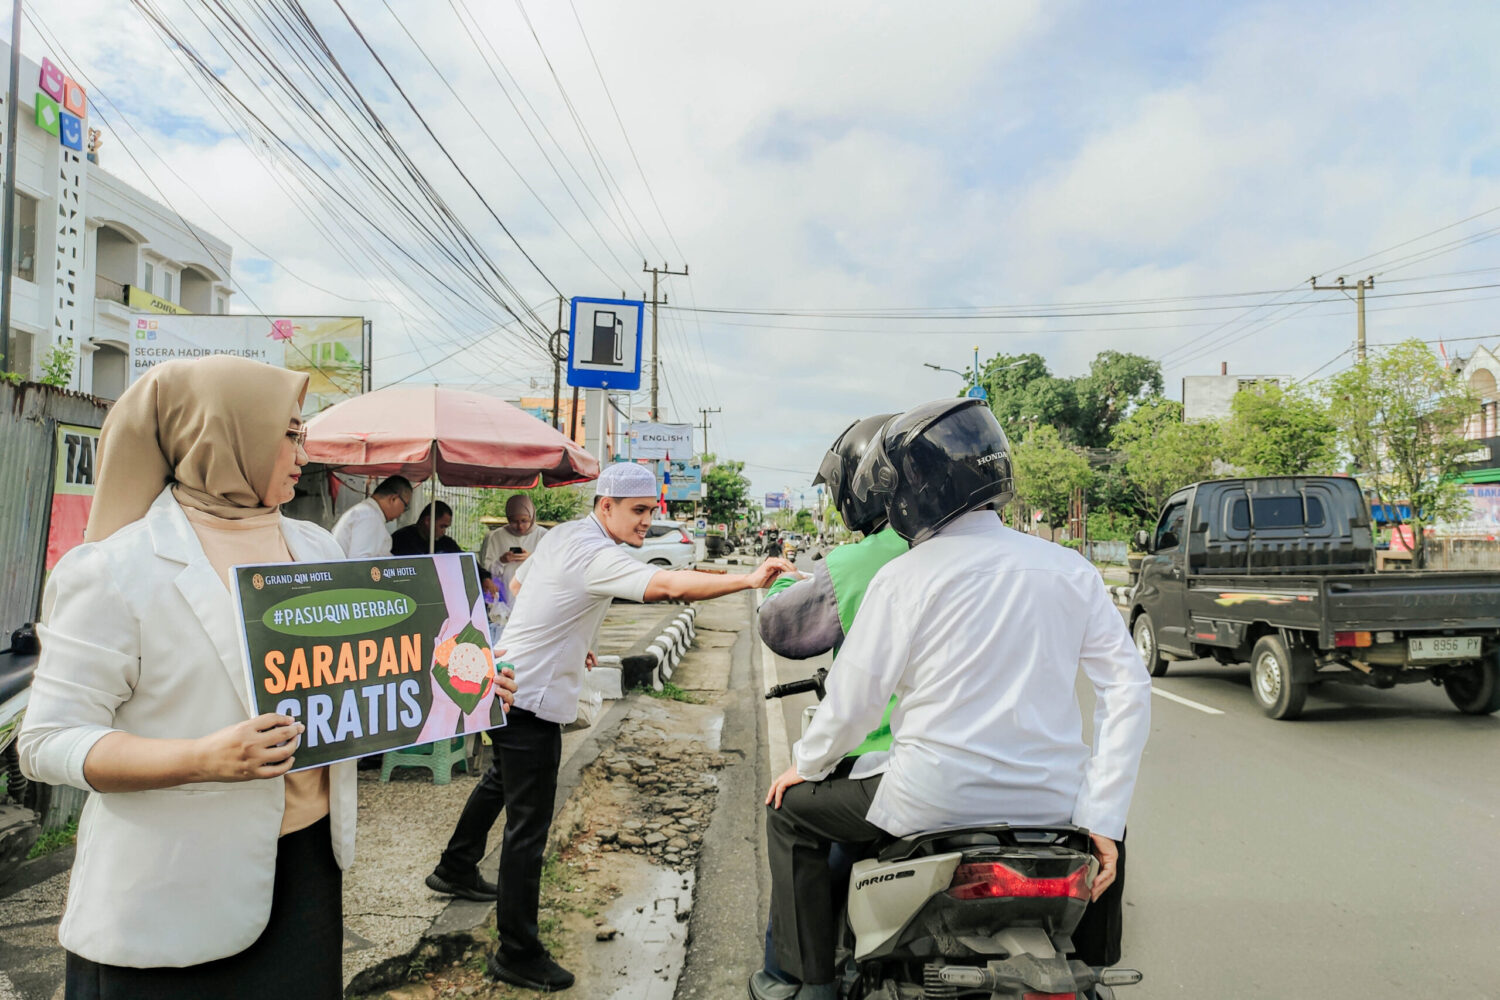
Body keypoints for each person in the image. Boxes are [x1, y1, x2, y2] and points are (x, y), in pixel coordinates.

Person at [18, 357, 516, 1000]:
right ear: (226, 435)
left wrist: (465, 689)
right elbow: (47, 741)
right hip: (171, 893)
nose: (302, 453)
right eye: (287, 434)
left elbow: (362, 676)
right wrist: (201, 758)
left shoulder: (314, 547)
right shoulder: (113, 569)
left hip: (307, 870)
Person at [761, 399, 1152, 1000]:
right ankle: (1093, 968)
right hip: (1055, 804)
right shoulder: (1069, 569)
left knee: (790, 814)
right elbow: (1126, 688)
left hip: (928, 800)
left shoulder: (907, 577)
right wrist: (1101, 814)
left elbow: (855, 703)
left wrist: (804, 766)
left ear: (910, 493)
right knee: (1107, 837)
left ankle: (809, 984)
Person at [427, 463, 795, 993]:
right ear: (606, 506)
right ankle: (516, 951)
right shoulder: (592, 550)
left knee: (501, 783)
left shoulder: (564, 537)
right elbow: (667, 586)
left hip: (508, 678)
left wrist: (578, 635)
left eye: (652, 511)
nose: (647, 521)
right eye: (638, 511)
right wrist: (746, 578)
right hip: (527, 694)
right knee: (528, 830)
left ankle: (457, 864)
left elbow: (528, 583)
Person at [752, 414, 905, 1000]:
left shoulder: (863, 561)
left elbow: (783, 629)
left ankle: (793, 976)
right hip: (1011, 777)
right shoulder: (972, 557)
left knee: (792, 812)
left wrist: (773, 585)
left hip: (882, 765)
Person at [478, 494, 548, 597]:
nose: (520, 526)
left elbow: (552, 568)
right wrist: (501, 561)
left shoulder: (543, 535)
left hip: (535, 595)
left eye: (524, 521)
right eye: (514, 521)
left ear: (531, 516)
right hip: (505, 595)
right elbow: (488, 572)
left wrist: (532, 558)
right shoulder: (497, 536)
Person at [331, 475, 411, 557]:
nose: (402, 512)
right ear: (393, 499)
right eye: (405, 506)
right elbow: (361, 563)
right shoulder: (369, 516)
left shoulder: (366, 512)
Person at [390, 500, 463, 556]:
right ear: (428, 521)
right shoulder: (401, 540)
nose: (444, 532)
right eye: (442, 526)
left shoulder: (447, 543)